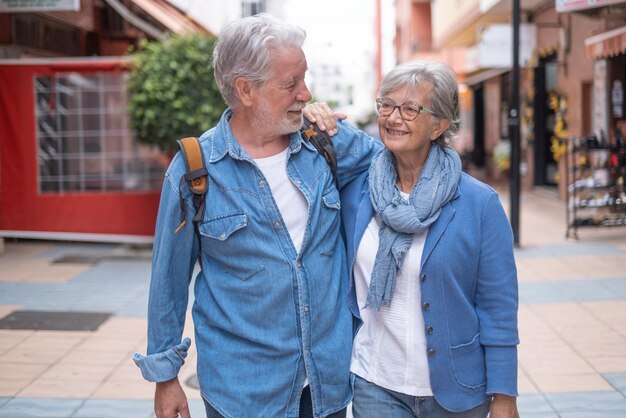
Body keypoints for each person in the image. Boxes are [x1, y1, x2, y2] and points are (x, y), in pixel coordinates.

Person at [132, 14, 381, 418]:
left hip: (326, 384)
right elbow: (168, 280)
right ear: (246, 90)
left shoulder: (325, 144)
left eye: (304, 78)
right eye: (290, 84)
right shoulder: (195, 168)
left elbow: (400, 168)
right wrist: (165, 378)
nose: (306, 93)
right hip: (241, 392)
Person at [339, 61, 520, 417]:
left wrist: (505, 395)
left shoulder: (478, 203)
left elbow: (498, 304)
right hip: (375, 382)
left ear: (438, 125)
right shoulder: (357, 193)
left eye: (409, 109)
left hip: (456, 391)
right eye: (386, 105)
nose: (393, 118)